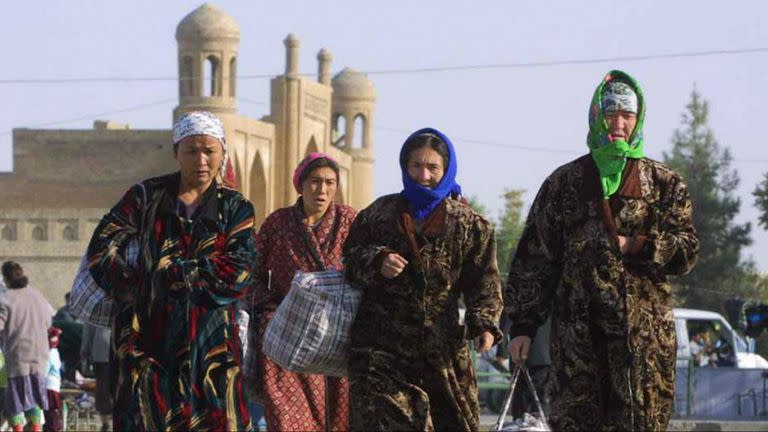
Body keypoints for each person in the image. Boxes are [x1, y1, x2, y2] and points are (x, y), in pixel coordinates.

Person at [505, 70, 700, 431]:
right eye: (611, 113)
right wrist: (523, 326)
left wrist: (639, 245)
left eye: (628, 115)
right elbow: (535, 259)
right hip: (578, 340)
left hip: (642, 342)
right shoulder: (565, 183)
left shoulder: (663, 183)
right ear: (597, 116)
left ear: (638, 119)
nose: (619, 123)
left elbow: (686, 250)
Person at [87, 111, 256, 431]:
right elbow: (101, 247)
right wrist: (136, 288)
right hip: (146, 339)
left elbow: (240, 270)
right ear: (176, 152)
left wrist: (171, 275)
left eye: (209, 150)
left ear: (222, 153)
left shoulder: (235, 207)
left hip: (210, 345)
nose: (201, 159)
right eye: (192, 150)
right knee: (146, 418)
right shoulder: (145, 197)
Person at [343, 128, 503, 431]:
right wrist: (377, 260)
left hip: (442, 354)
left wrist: (485, 323)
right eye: (416, 165)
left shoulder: (470, 225)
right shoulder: (379, 214)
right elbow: (349, 260)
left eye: (432, 167)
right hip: (381, 351)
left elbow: (484, 280)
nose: (423, 175)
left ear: (446, 169)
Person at [245, 152, 356, 432]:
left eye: (330, 183)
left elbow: (368, 266)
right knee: (286, 419)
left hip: (336, 334)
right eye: (315, 181)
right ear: (300, 184)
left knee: (339, 418)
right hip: (288, 334)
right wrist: (271, 312)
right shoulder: (278, 224)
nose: (322, 190)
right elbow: (251, 275)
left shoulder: (349, 222)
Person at [0, 262, 52, 432]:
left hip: (18, 357)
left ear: (6, 279)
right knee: (34, 397)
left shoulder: (5, 299)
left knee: (15, 400)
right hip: (40, 357)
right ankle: (36, 429)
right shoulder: (37, 295)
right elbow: (49, 321)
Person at [80, 323, 112, 431]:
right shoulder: (122, 307)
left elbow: (87, 335)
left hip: (100, 354)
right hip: (120, 353)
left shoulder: (95, 308)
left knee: (102, 388)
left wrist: (84, 354)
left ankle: (105, 423)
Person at [43, 327, 63, 432]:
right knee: (53, 411)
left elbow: (44, 372)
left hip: (48, 386)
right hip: (55, 386)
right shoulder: (56, 352)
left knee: (50, 412)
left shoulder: (49, 353)